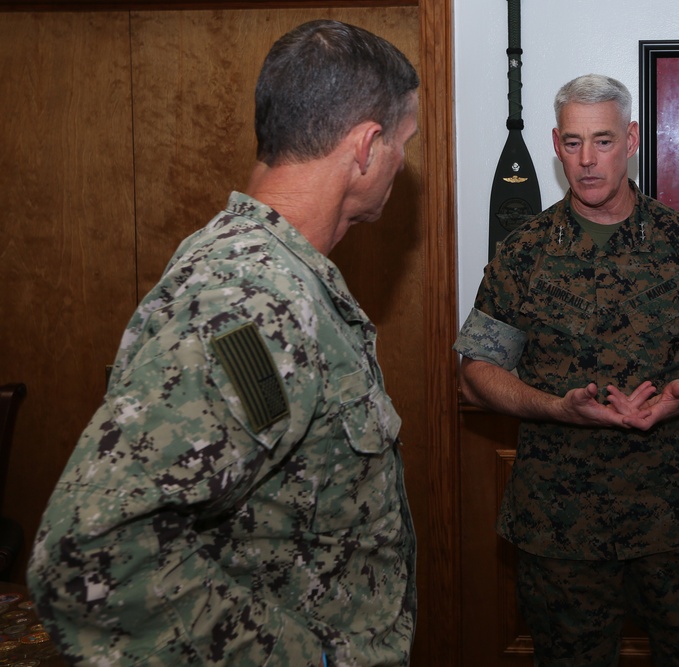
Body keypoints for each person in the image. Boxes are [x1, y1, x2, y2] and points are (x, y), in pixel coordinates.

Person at [27, 20, 419, 667]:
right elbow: (91, 552)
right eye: (404, 144)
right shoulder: (248, 293)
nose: (402, 165)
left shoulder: (276, 278)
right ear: (365, 147)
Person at [454, 73, 679, 667]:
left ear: (633, 138)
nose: (587, 161)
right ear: (555, 143)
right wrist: (553, 407)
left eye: (603, 141)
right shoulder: (524, 252)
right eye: (572, 143)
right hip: (562, 522)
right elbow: (477, 370)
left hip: (674, 513)